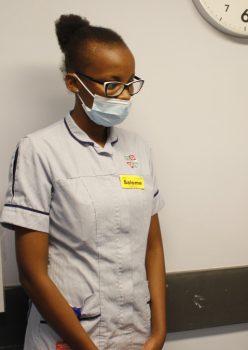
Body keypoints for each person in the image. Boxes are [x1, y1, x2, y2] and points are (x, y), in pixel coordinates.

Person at [0, 14, 166, 350]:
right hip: (68, 338)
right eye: (112, 84)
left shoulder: (139, 150)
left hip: (136, 333)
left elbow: (152, 247)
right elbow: (32, 275)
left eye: (130, 83)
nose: (124, 96)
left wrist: (159, 332)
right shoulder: (39, 150)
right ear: (74, 83)